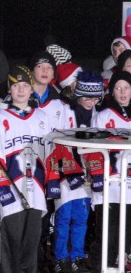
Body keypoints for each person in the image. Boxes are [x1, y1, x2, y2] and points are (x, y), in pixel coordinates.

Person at [0, 65, 50, 273]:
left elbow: (49, 155)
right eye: (16, 86)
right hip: (12, 189)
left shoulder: (42, 117)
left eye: (25, 85)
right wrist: (2, 188)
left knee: (31, 242)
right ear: (9, 89)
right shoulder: (0, 118)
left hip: (37, 189)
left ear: (32, 88)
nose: (21, 90)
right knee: (12, 240)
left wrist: (50, 183)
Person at [46, 71, 103, 273]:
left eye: (96, 97)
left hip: (87, 175)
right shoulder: (66, 111)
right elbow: (57, 142)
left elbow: (98, 147)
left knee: (81, 218)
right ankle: (60, 258)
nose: (91, 101)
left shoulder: (98, 114)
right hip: (65, 173)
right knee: (63, 218)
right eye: (87, 96)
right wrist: (68, 171)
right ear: (78, 94)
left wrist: (95, 173)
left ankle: (77, 256)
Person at [88, 71, 131, 271]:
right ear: (112, 91)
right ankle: (101, 266)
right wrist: (97, 178)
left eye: (127, 88)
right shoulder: (103, 115)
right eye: (118, 88)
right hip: (110, 183)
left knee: (127, 231)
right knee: (108, 231)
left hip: (129, 184)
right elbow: (93, 150)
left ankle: (123, 263)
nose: (123, 92)